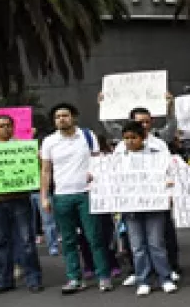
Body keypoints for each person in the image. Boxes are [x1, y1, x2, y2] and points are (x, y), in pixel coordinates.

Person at [40, 103, 112, 294]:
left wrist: (94, 173)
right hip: (62, 196)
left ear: (74, 117)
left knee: (94, 237)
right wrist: (44, 197)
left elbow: (99, 161)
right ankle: (74, 278)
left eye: (65, 115)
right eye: (57, 117)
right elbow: (46, 171)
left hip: (86, 193)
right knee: (69, 240)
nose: (61, 119)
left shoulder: (87, 136)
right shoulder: (49, 141)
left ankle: (103, 276)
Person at [117, 106, 181, 286]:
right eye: (126, 138)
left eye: (133, 138)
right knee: (137, 246)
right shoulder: (119, 155)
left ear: (143, 138)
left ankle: (165, 277)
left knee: (156, 244)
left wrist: (169, 186)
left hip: (155, 204)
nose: (129, 141)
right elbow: (111, 176)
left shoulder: (157, 151)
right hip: (131, 206)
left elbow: (171, 170)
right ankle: (143, 280)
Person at [0, 114, 43, 295]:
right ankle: (4, 280)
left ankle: (33, 279)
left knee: (26, 240)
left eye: (9, 125)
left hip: (20, 199)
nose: (5, 129)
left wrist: (38, 159)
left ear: (13, 127)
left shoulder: (23, 149)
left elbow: (38, 169)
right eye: (1, 126)